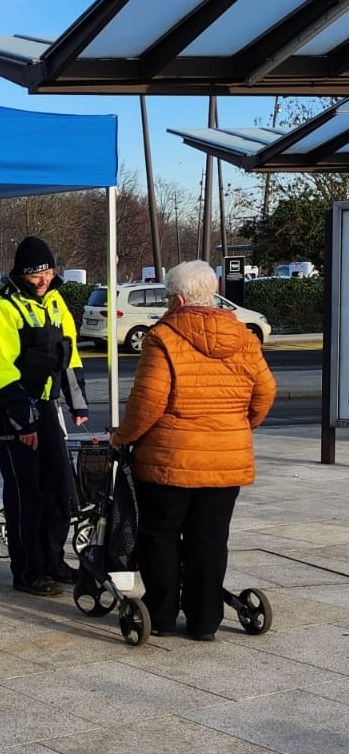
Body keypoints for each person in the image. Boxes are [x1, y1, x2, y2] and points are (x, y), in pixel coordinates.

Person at [111, 260, 276, 640]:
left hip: (171, 459)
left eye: (169, 297)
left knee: (161, 535)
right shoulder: (244, 336)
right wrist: (238, 428)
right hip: (225, 460)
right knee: (211, 538)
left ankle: (163, 618)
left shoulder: (163, 337)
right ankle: (205, 622)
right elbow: (265, 391)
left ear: (179, 298)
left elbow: (148, 402)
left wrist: (122, 437)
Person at [0, 236, 89, 596]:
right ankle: (27, 571)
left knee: (60, 487)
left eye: (46, 271)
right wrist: (23, 422)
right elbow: (1, 370)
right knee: (28, 493)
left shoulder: (57, 302)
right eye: (35, 274)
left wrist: (79, 405)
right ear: (20, 274)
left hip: (46, 406)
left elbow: (69, 357)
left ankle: (53, 562)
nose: (43, 279)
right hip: (13, 410)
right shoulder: (0, 309)